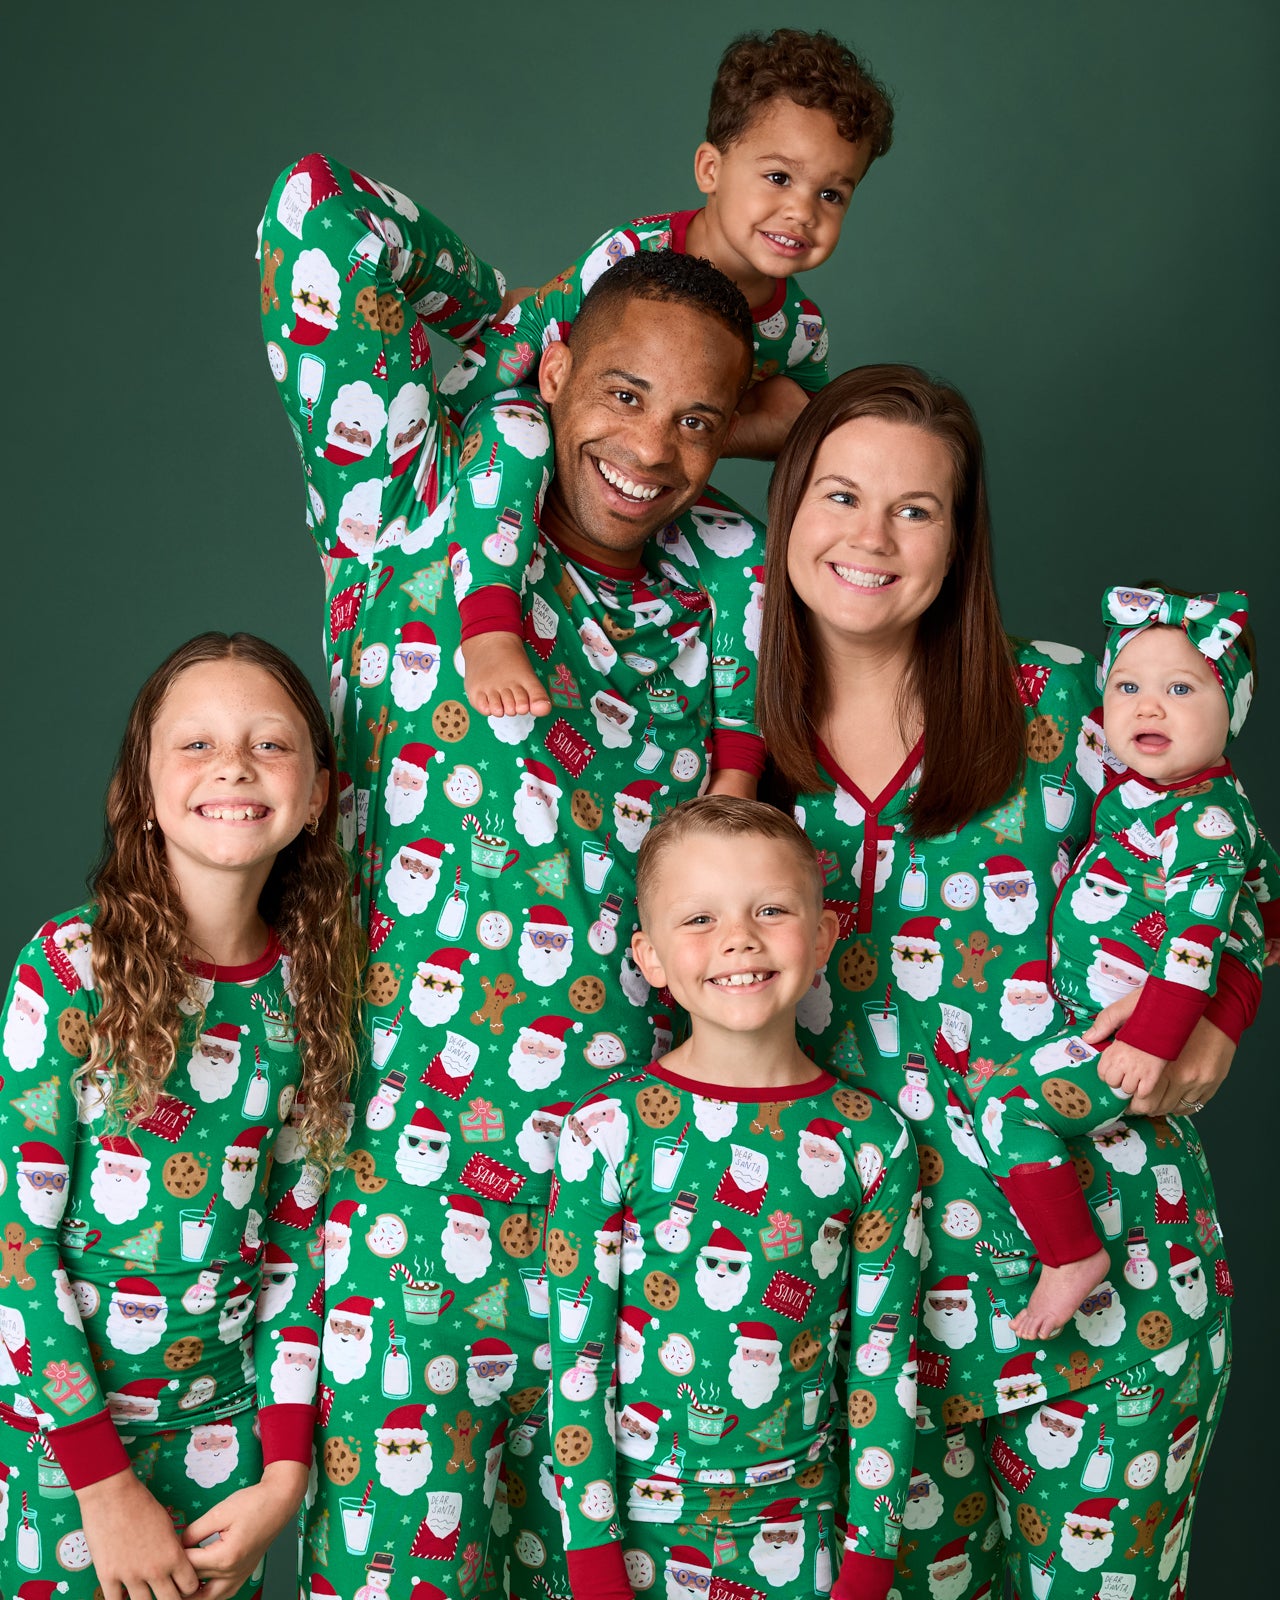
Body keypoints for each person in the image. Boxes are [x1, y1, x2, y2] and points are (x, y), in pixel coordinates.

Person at [258, 154, 768, 1598]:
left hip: (633, 1244)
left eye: (695, 423)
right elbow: (320, 211)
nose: (654, 452)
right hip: (402, 1234)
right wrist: (537, 330)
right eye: (620, 394)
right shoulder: (402, 508)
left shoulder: (719, 601)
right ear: (553, 370)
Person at [754, 365, 1276, 1598]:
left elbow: (1234, 868)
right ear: (785, 511)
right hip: (866, 1322)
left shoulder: (1065, 704)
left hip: (1121, 1285)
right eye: (837, 493)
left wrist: (1225, 1012)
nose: (869, 538)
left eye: (916, 509)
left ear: (960, 537)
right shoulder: (731, 750)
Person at [0, 633, 360, 1600]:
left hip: (225, 1454)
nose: (234, 765)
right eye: (194, 745)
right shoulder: (70, 970)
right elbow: (16, 1248)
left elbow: (296, 1249)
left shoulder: (313, 992)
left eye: (270, 745)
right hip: (61, 1454)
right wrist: (103, 1487)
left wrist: (282, 1475)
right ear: (141, 791)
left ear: (319, 793)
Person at [452, 27, 894, 720]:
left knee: (751, 549)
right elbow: (533, 330)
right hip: (541, 414)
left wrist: (709, 428)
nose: (801, 212)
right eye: (778, 178)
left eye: (832, 195)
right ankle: (490, 628)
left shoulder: (799, 328)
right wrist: (461, 416)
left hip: (659, 459)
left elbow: (813, 420)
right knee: (515, 437)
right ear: (712, 169)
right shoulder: (633, 251)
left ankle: (742, 750)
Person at [546, 797, 919, 1600]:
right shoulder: (606, 1130)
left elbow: (883, 1366)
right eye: (700, 919)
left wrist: (869, 1561)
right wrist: (594, 1561)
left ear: (822, 937)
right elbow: (578, 1364)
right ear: (648, 956)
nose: (739, 940)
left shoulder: (872, 1139)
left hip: (804, 1526)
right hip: (639, 1533)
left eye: (772, 910)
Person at [973, 587, 1272, 1338]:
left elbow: (1196, 941)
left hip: (1131, 1037)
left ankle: (1071, 1256)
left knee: (1007, 1108)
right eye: (1128, 688)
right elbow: (1268, 900)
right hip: (1103, 1018)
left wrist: (1158, 1037)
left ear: (1230, 711)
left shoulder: (1206, 818)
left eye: (1181, 688)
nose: (1148, 708)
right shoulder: (1145, 793)